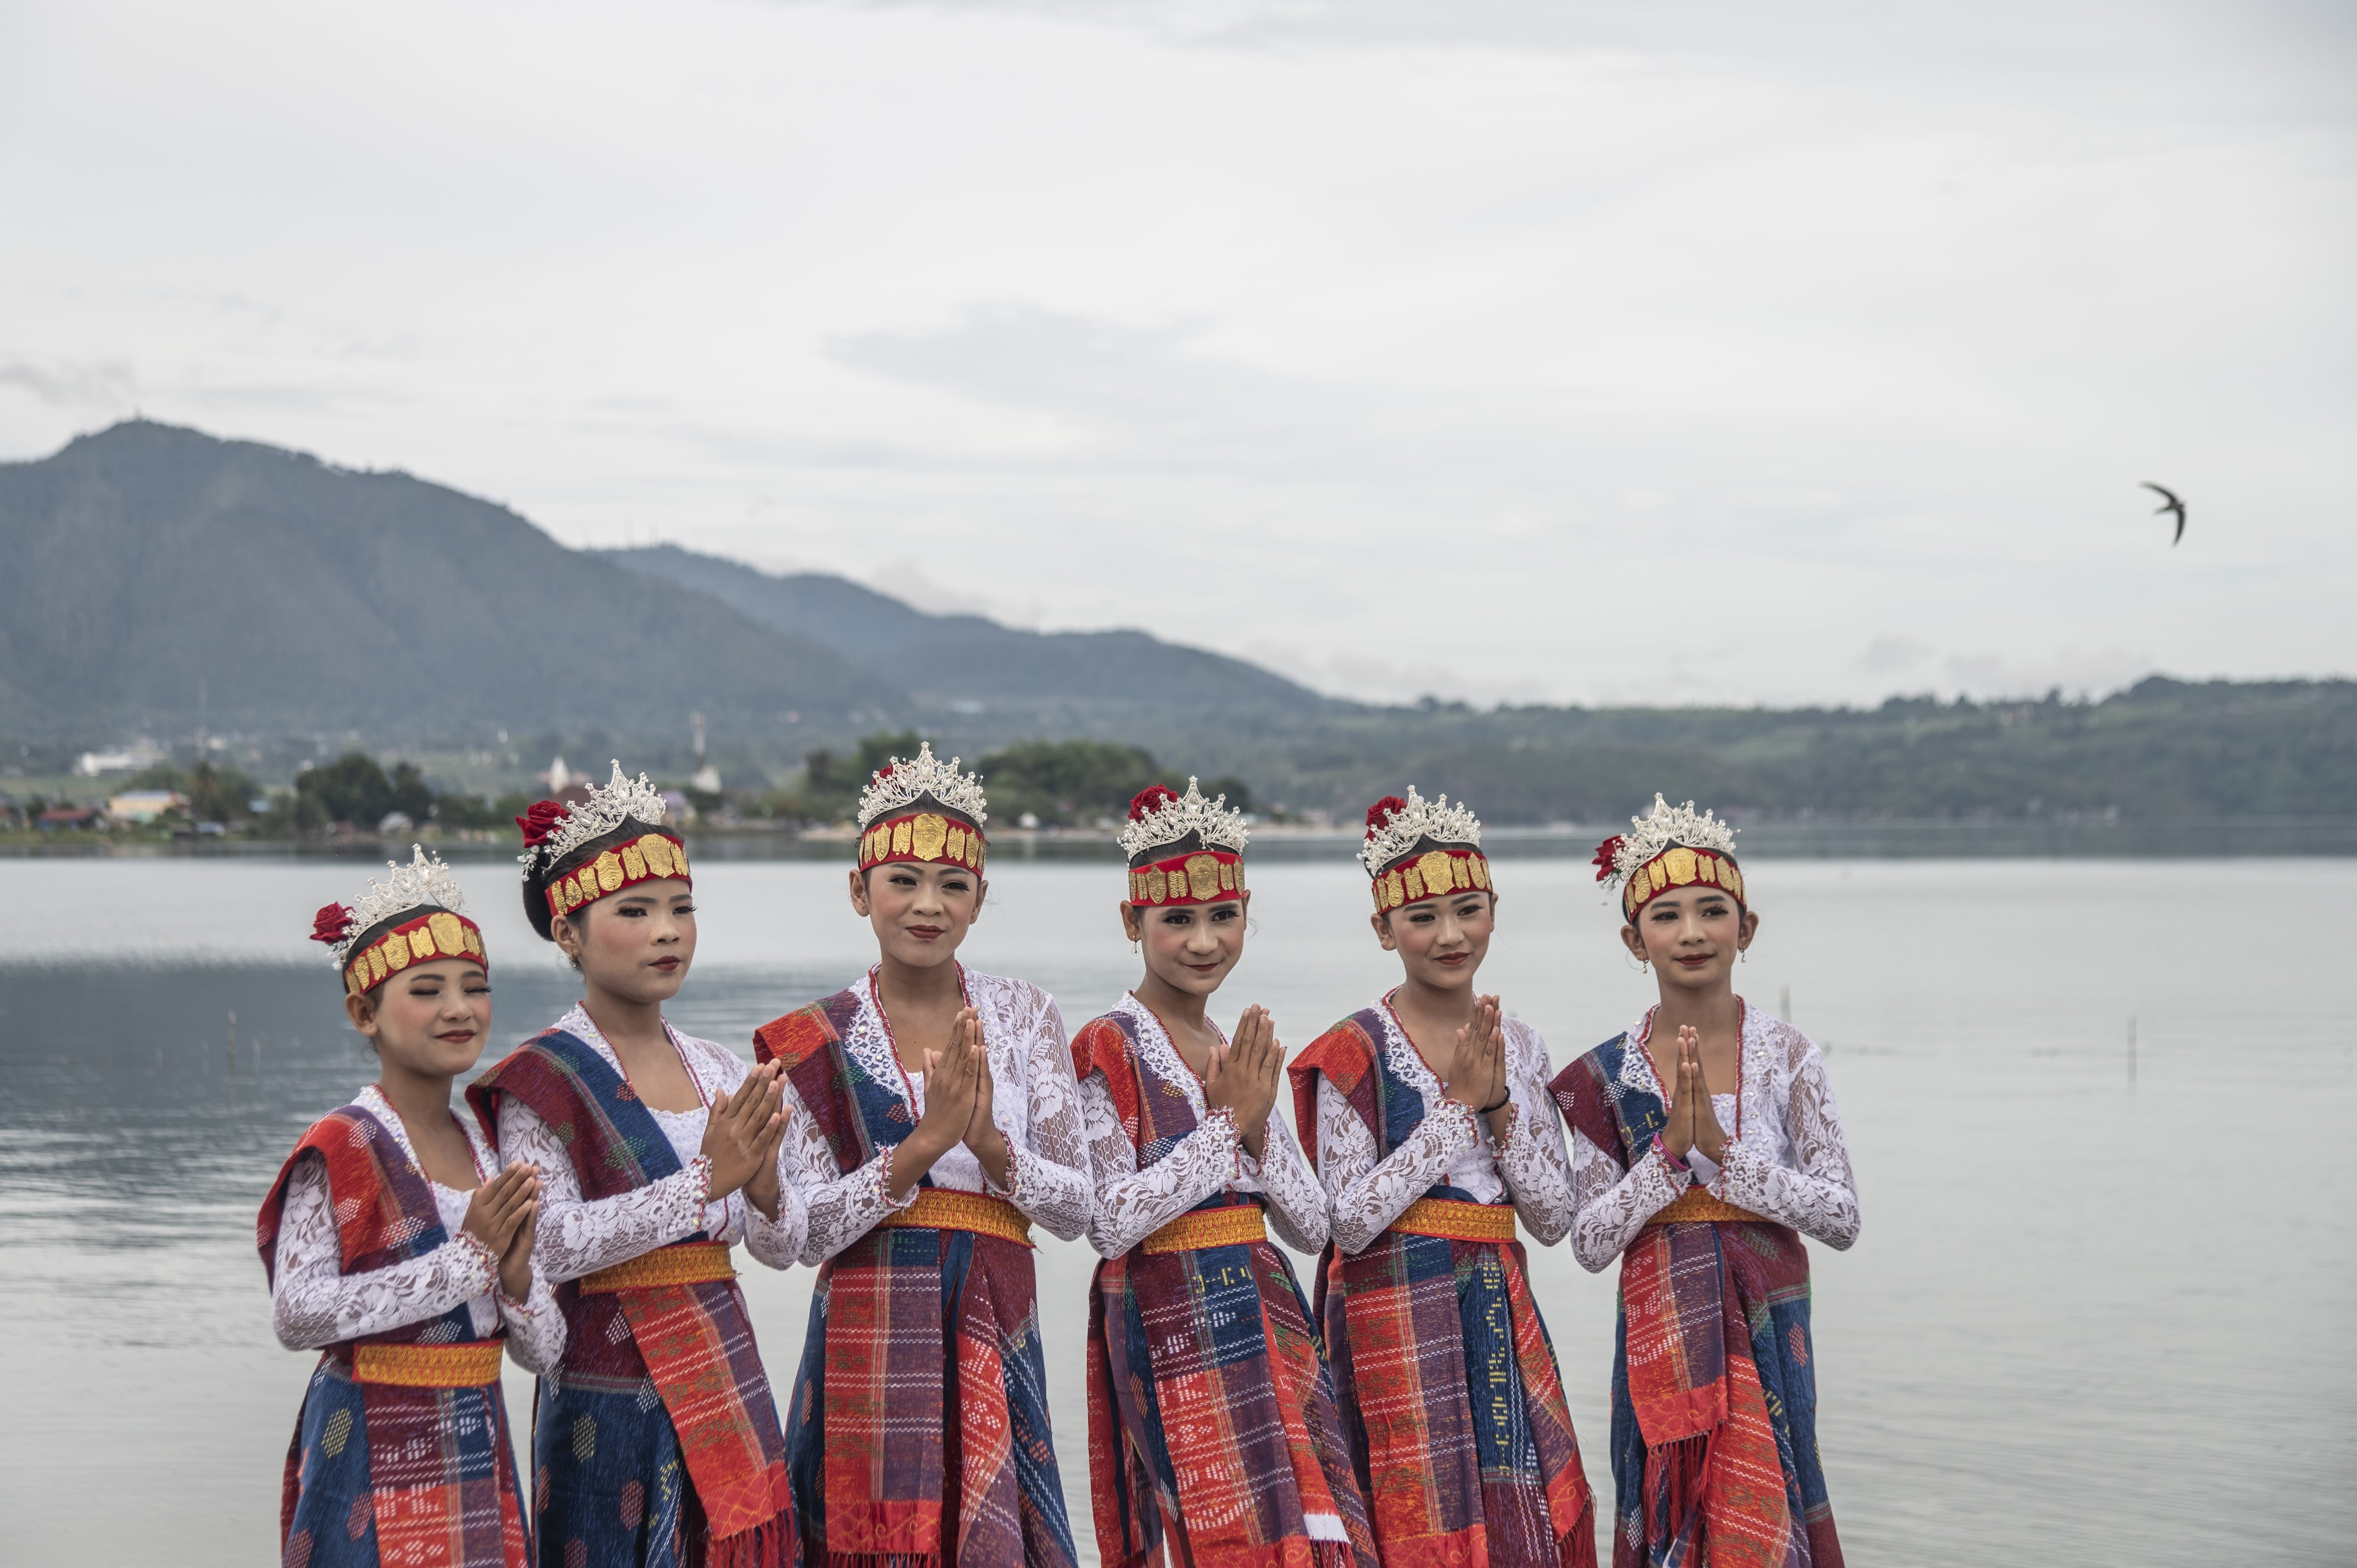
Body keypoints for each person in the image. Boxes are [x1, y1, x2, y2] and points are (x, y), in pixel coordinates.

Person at [751, 742, 1090, 1568]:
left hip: (996, 1316)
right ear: (859, 890)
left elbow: (1077, 1208)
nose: (928, 906)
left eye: (954, 885)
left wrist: (990, 1147)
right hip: (864, 1330)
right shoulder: (813, 1038)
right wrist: (923, 1147)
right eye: (903, 881)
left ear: (981, 899)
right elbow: (802, 1233)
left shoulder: (1025, 1015)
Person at [470, 764, 803, 1568]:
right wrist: (704, 1183)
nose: (668, 932)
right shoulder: (541, 1078)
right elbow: (548, 1245)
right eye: (636, 911)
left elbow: (781, 1246)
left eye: (682, 909)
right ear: (568, 934)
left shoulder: (719, 1068)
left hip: (726, 1379)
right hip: (604, 1385)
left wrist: (762, 1184)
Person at [1286, 788, 1597, 1568]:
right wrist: (1457, 1112)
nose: (1451, 935)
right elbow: (1346, 1223)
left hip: (1498, 1302)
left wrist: (1497, 1104)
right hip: (1389, 1310)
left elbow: (1553, 1218)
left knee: (1519, 1514)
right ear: (1383, 929)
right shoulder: (1353, 1050)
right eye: (1423, 917)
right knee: (1409, 1516)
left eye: (1468, 910)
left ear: (1494, 910)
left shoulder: (1521, 1045)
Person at [1548, 796, 1859, 1568]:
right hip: (1664, 1345)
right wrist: (1667, 1161)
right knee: (1671, 1513)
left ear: (1746, 929)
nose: (1691, 932)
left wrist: (1728, 1159)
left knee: (1766, 1518)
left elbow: (1843, 1217)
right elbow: (1589, 1243)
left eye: (1712, 911)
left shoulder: (1789, 1056)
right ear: (1635, 940)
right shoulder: (1608, 1074)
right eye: (1667, 916)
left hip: (1770, 1334)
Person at [1072, 781, 1376, 1568]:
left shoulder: (1236, 1050)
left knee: (1316, 1534)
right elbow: (1108, 1221)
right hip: (1167, 1312)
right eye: (1178, 920)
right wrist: (1225, 1127)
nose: (1204, 941)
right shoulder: (1109, 1044)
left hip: (1269, 1308)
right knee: (1223, 1541)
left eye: (1223, 916)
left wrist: (1256, 1125)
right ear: (1133, 922)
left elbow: (1311, 1227)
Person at [259, 847, 561, 1568]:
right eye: (427, 990)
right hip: (366, 1439)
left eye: (475, 988)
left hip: (477, 1438)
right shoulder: (341, 1144)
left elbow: (545, 1351)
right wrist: (470, 1259)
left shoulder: (489, 1143)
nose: (459, 1009)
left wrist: (516, 1278)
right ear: (364, 1012)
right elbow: (296, 1315)